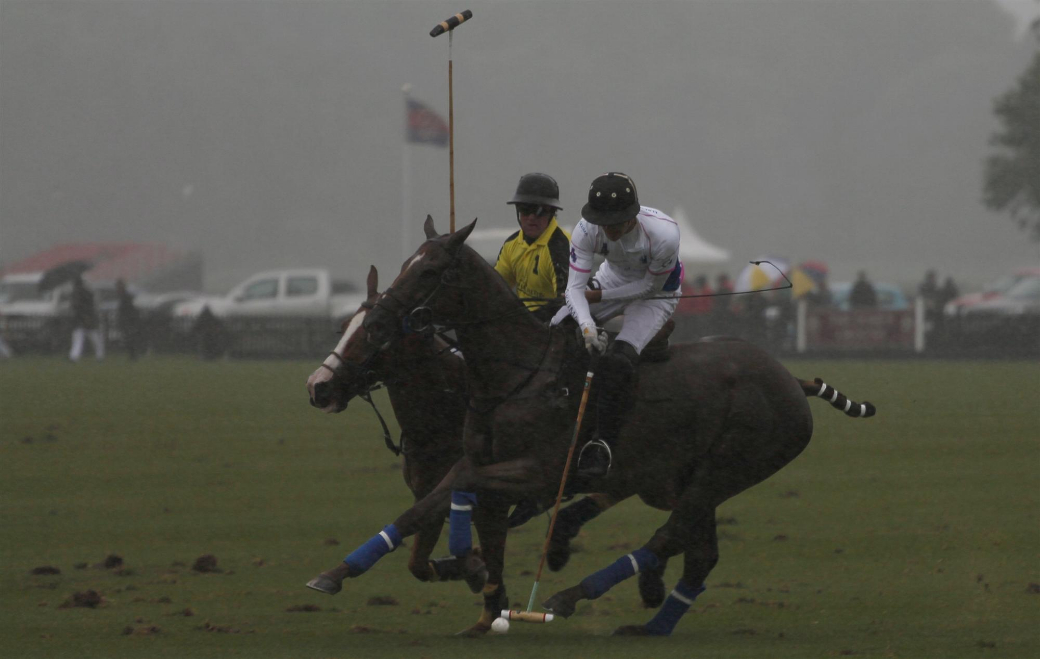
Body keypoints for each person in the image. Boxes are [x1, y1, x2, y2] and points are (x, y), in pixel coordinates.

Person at [551, 172, 683, 479]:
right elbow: (573, 289)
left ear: (632, 216)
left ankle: (602, 444)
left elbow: (647, 289)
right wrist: (586, 328)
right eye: (603, 221)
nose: (609, 229)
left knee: (618, 361)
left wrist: (599, 296)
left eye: (616, 222)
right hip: (613, 278)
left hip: (656, 294)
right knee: (556, 330)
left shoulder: (664, 235)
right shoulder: (586, 229)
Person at [494, 173, 571, 321]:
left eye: (540, 211)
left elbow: (567, 304)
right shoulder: (511, 244)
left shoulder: (561, 248)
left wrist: (524, 320)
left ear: (552, 213)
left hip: (556, 327)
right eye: (525, 209)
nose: (531, 217)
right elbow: (495, 292)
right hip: (523, 326)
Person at [69, 275, 104, 361]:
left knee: (82, 337)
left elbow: (80, 307)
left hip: (83, 318)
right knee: (92, 337)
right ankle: (99, 355)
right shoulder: (86, 293)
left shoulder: (79, 293)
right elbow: (90, 306)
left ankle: (74, 356)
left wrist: (86, 316)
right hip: (85, 318)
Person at [115, 278, 141, 360]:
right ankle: (132, 355)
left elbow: (128, 309)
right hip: (128, 319)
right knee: (129, 338)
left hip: (128, 319)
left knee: (129, 338)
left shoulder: (125, 296)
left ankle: (133, 355)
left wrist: (126, 319)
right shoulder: (124, 295)